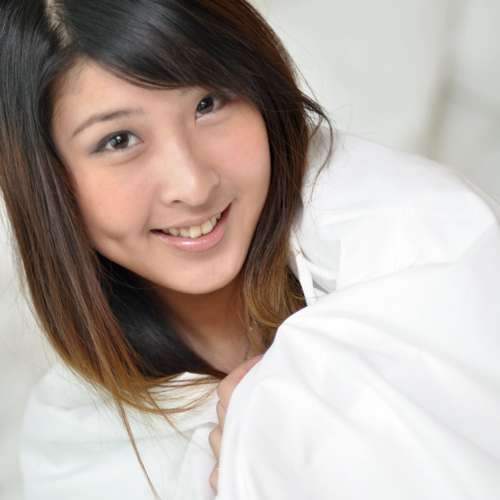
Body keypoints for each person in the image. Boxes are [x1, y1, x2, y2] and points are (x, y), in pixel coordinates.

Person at [0, 1, 498, 499]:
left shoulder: (424, 244)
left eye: (208, 103)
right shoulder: (77, 447)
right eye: (119, 140)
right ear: (46, 181)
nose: (193, 185)